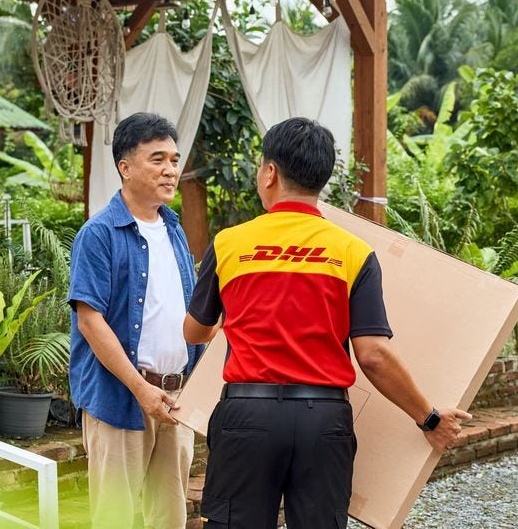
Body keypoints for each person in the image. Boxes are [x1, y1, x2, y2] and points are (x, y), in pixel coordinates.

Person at [183, 117, 471, 529]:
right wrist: (428, 418)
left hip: (247, 417)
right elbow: (372, 355)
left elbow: (194, 332)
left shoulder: (230, 244)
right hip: (324, 421)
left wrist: (230, 316)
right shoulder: (352, 251)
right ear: (321, 178)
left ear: (270, 172)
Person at [68, 112, 204, 529]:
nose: (170, 171)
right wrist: (141, 389)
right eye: (157, 159)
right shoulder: (99, 234)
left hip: (176, 396)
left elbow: (186, 310)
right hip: (121, 399)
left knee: (170, 517)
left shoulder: (174, 229)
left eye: (175, 160)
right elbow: (90, 322)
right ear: (125, 167)